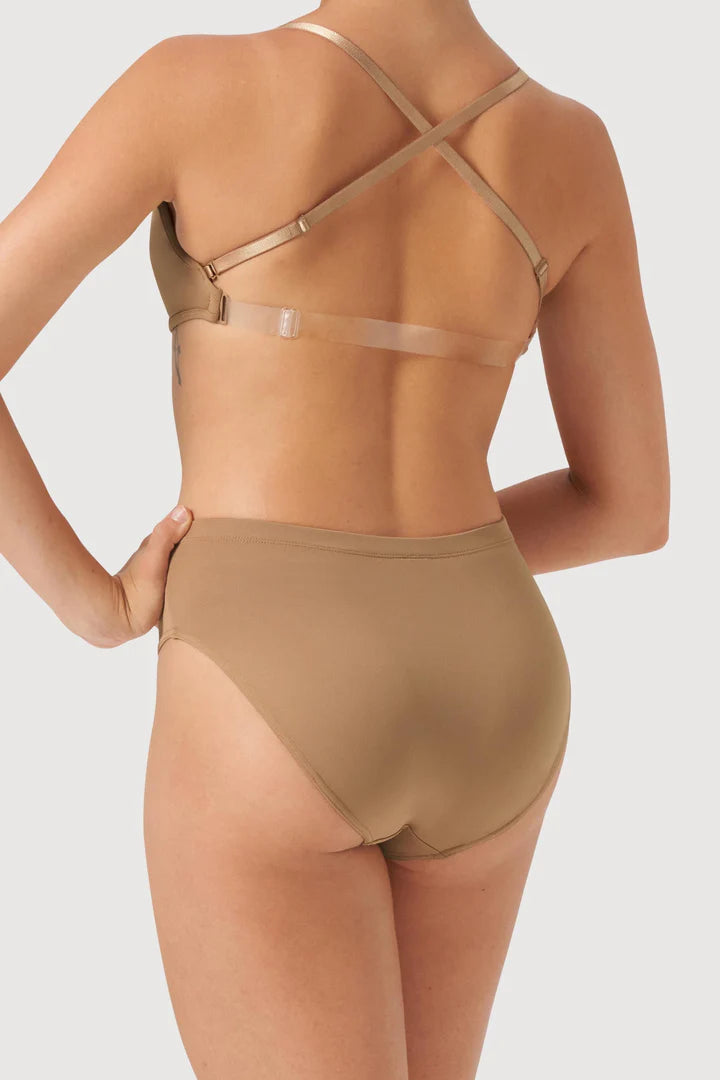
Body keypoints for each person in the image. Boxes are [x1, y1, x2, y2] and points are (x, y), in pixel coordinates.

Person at [0, 1, 669, 1077]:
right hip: (494, 674)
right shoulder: (569, 143)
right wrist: (435, 568)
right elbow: (629, 507)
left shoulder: (194, 86)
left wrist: (97, 603)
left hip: (268, 671)